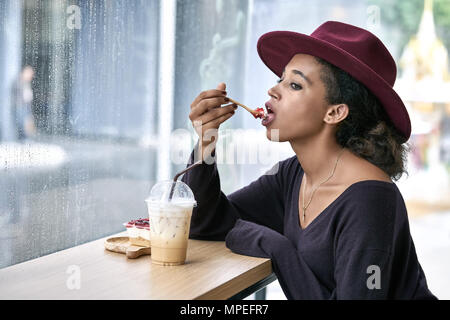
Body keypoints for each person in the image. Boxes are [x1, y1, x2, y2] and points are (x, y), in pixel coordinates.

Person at [182, 21, 437, 299]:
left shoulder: (370, 201)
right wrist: (206, 140)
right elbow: (205, 222)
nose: (273, 90)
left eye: (294, 84)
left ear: (335, 112)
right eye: (280, 79)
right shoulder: (294, 174)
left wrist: (277, 249)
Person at [11, 65, 36, 141]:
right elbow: (18, 93)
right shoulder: (19, 81)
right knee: (21, 122)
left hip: (25, 106)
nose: (30, 76)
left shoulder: (26, 83)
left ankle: (25, 138)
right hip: (20, 105)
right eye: (29, 74)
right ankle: (23, 139)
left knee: (26, 122)